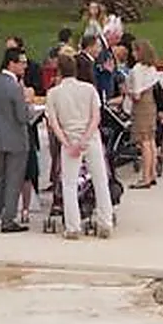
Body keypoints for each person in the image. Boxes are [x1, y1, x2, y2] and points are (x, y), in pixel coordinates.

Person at [45, 53, 113, 239]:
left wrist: (67, 142)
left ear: (59, 71)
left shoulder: (53, 93)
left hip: (69, 137)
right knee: (100, 180)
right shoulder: (89, 89)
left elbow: (54, 123)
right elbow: (96, 118)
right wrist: (85, 138)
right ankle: (105, 221)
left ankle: (73, 226)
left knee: (69, 184)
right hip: (90, 138)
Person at [0, 47, 32, 233]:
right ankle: (8, 219)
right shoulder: (15, 87)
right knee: (14, 180)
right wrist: (29, 103)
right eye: (22, 63)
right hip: (16, 138)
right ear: (12, 64)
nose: (25, 66)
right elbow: (23, 117)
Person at [127, 40, 162, 189]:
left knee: (144, 141)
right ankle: (152, 173)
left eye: (134, 51)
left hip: (141, 106)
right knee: (151, 140)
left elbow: (136, 95)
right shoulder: (152, 68)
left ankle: (145, 177)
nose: (132, 54)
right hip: (151, 104)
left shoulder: (137, 70)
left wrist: (126, 92)